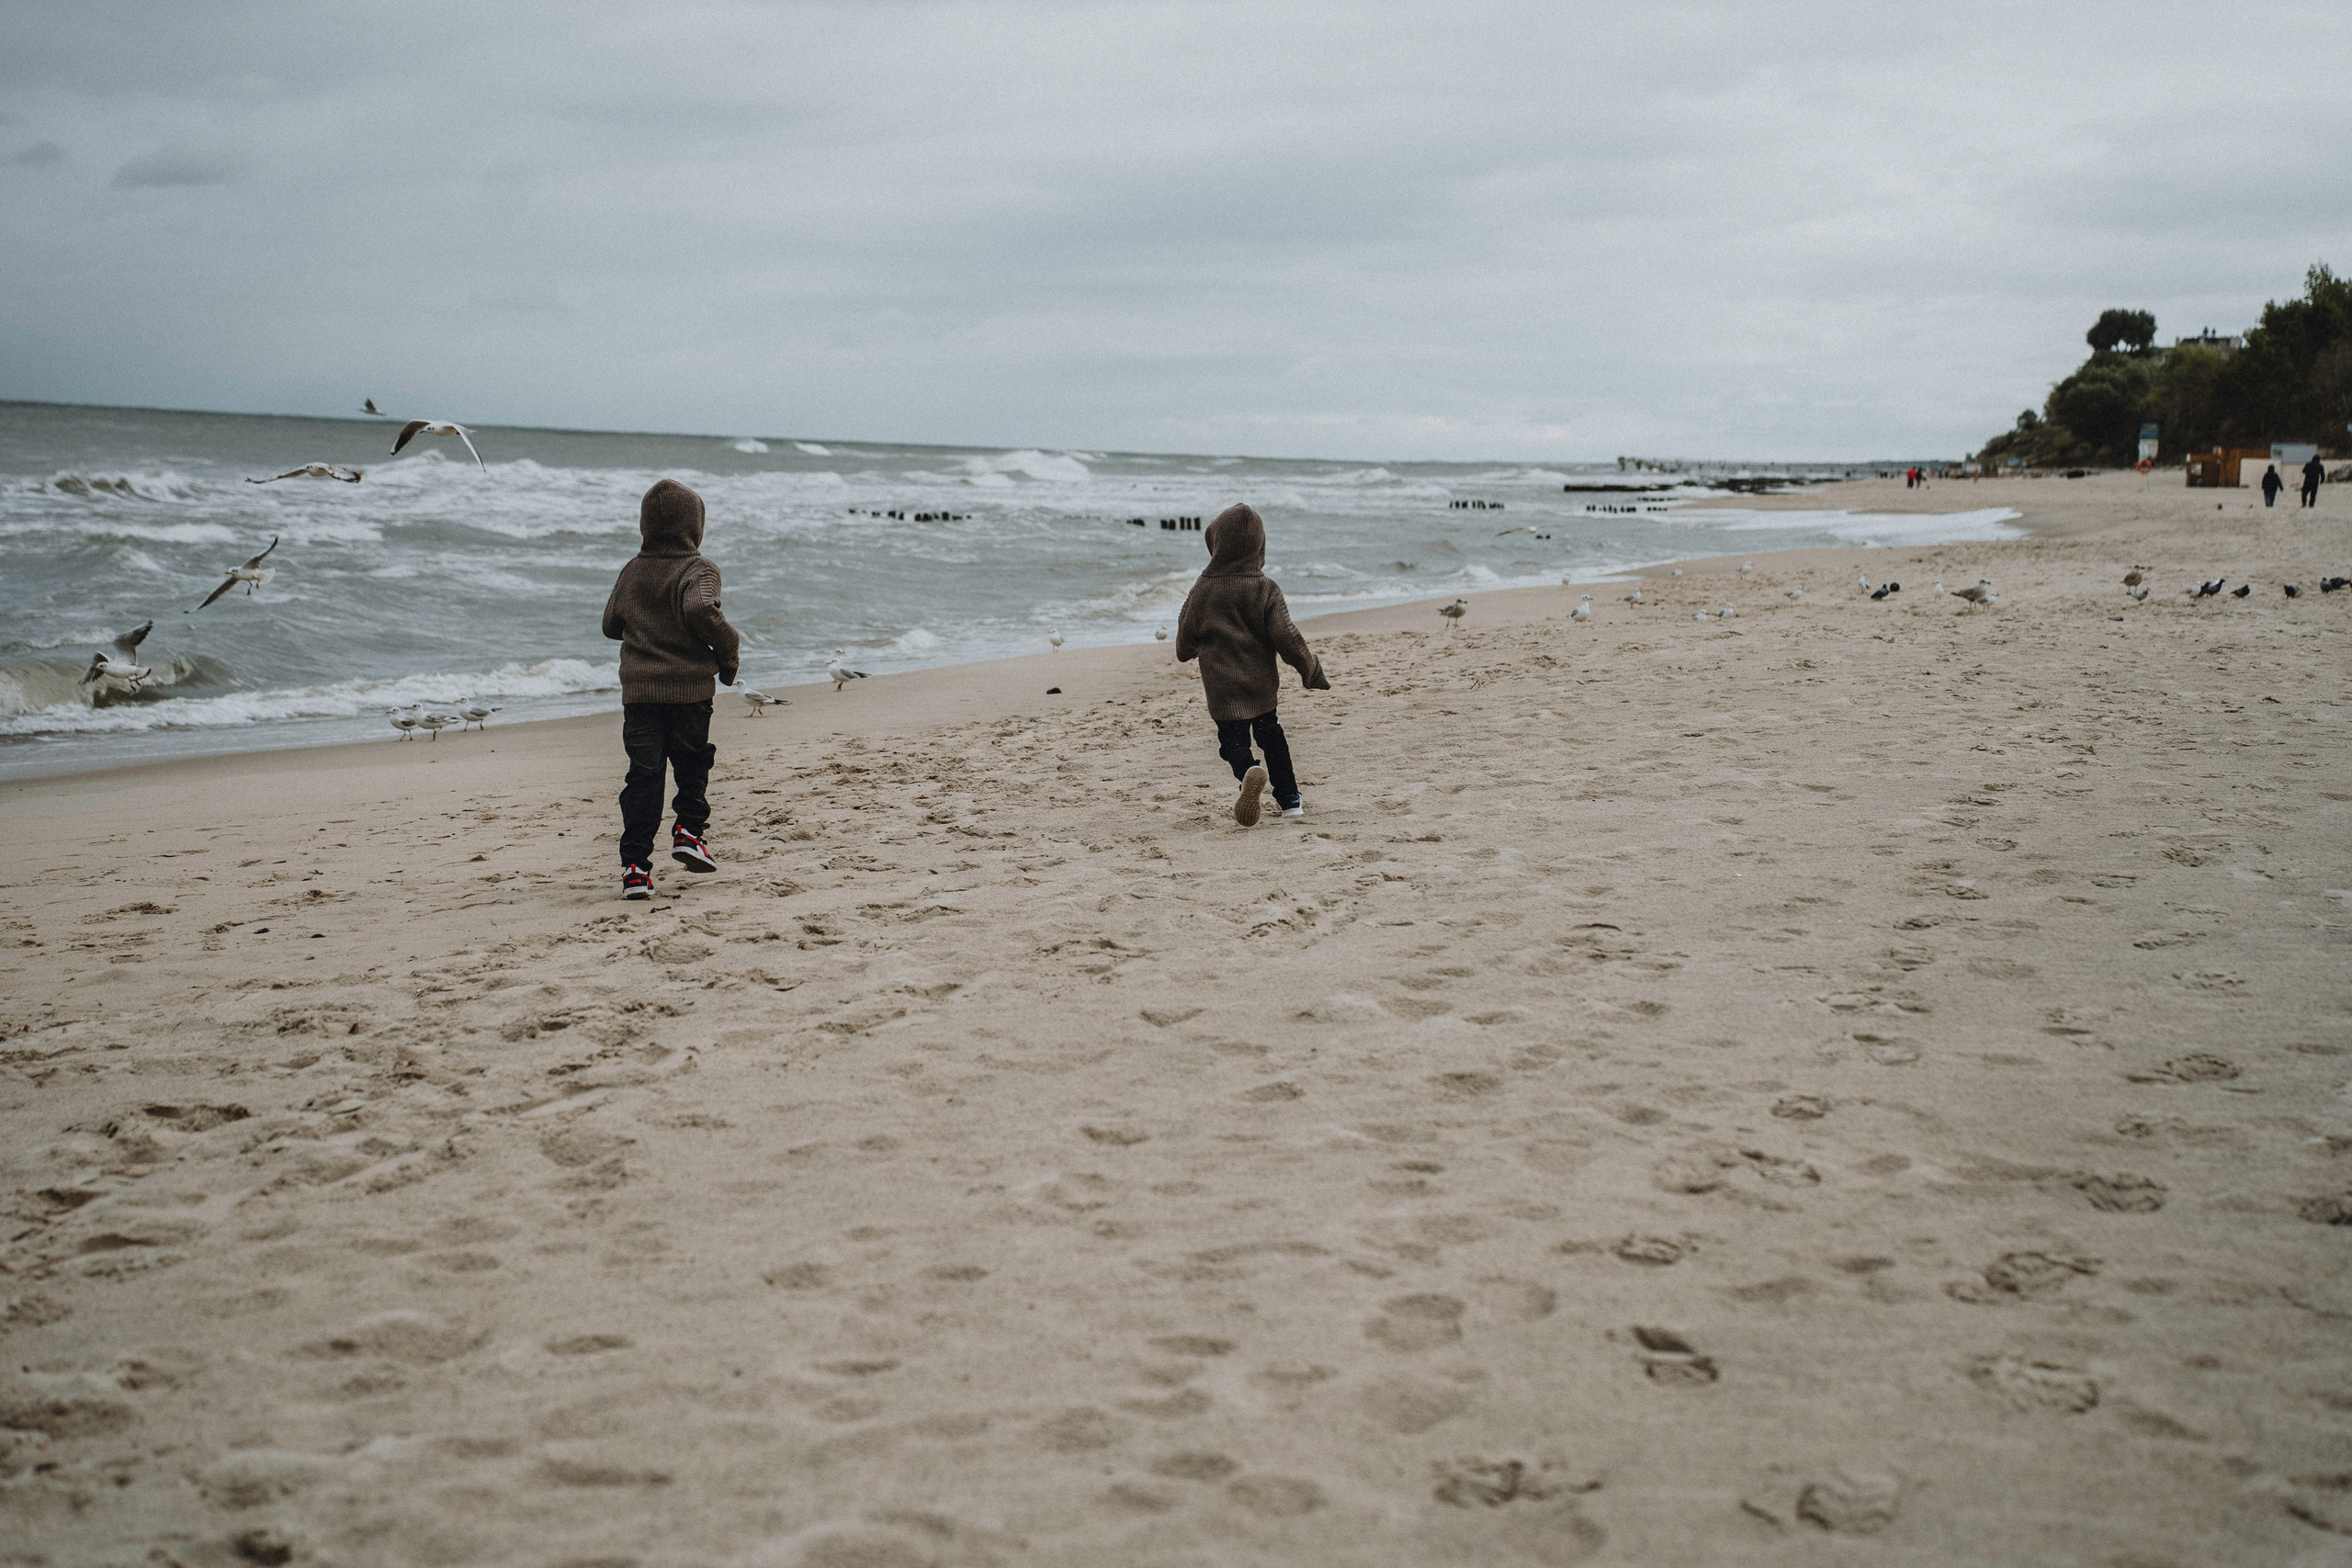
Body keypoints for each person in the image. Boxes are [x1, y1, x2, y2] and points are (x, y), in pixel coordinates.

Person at [602, 479, 741, 899]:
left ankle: (634, 870)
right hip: (689, 693)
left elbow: (610, 624)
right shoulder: (698, 569)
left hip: (640, 695)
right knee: (693, 764)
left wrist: (644, 622)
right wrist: (729, 651)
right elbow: (701, 607)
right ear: (695, 525)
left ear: (645, 524)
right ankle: (688, 832)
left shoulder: (633, 568)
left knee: (643, 778)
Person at [1176, 503, 1329, 824]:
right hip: (1260, 685)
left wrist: (1186, 650)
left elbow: (1187, 630)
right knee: (1272, 738)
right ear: (1260, 547)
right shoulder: (1265, 588)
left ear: (1216, 544)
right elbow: (1287, 635)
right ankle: (1290, 801)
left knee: (1231, 743)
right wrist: (1309, 668)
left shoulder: (1203, 588)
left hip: (1222, 689)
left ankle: (1248, 772)